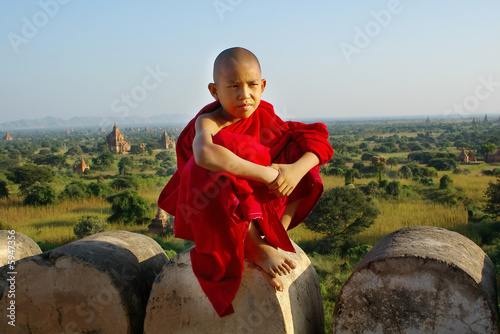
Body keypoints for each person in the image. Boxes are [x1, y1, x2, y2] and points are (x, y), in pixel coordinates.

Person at [158, 47, 333, 317]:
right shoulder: (210, 121)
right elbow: (204, 154)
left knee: (301, 151)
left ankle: (276, 236)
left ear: (263, 86)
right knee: (209, 159)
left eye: (252, 85)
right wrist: (266, 174)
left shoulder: (266, 117)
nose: (245, 95)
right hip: (217, 207)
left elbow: (317, 140)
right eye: (233, 86)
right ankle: (254, 247)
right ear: (215, 91)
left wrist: (294, 171)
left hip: (263, 201)